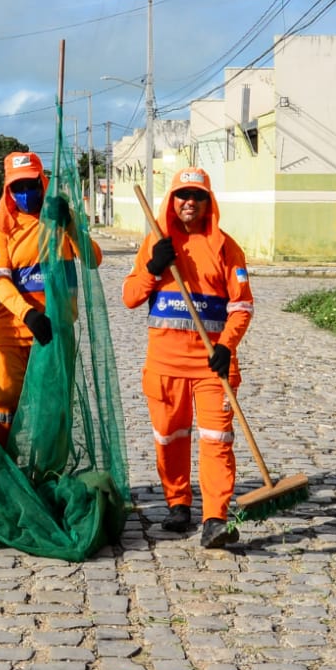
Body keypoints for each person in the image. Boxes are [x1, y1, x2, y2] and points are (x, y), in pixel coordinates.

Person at [121, 167, 253, 550]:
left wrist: (226, 346)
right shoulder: (155, 244)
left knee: (217, 439)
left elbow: (242, 306)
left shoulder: (228, 248)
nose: (189, 203)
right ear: (172, 201)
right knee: (169, 437)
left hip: (214, 364)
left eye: (197, 196)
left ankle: (216, 517)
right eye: (182, 195)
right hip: (164, 365)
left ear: (209, 202)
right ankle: (178, 504)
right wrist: (152, 268)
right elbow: (129, 297)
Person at [0, 151, 101, 449]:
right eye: (17, 187)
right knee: (3, 399)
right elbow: (0, 281)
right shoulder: (0, 229)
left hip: (56, 331)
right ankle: (2, 467)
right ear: (8, 190)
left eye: (31, 185)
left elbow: (93, 260)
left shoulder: (61, 219)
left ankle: (46, 471)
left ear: (42, 181)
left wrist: (71, 226)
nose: (25, 193)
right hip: (14, 330)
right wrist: (29, 315)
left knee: (54, 405)